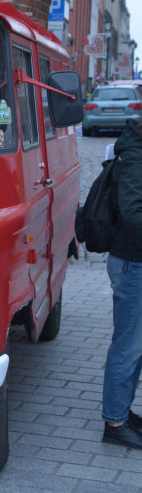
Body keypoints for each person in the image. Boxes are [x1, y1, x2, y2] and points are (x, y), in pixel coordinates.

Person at [102, 119, 142, 448]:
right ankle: (115, 422)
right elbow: (133, 213)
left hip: (135, 261)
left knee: (135, 345)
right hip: (132, 263)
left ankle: (123, 412)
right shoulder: (135, 157)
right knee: (127, 345)